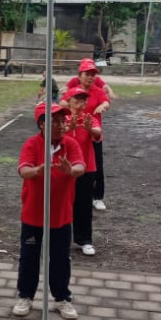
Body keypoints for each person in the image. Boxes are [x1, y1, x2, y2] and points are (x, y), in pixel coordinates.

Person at [12, 102, 85, 320]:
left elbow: (80, 167)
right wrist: (37, 170)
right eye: (55, 121)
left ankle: (62, 298)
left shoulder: (70, 144)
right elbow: (23, 170)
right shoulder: (32, 145)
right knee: (29, 257)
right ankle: (25, 296)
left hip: (61, 215)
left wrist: (70, 170)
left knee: (61, 258)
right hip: (34, 214)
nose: (61, 125)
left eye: (63, 121)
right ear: (42, 124)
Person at [62, 59, 111, 210]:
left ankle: (97, 197)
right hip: (73, 131)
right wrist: (71, 111)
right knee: (70, 162)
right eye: (87, 74)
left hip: (91, 131)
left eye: (93, 74)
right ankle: (68, 196)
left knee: (95, 165)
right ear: (80, 75)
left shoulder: (98, 91)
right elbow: (62, 103)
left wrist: (102, 106)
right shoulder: (74, 90)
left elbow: (106, 102)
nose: (90, 77)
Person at [64, 86, 102, 256]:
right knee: (63, 204)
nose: (81, 102)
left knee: (84, 205)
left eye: (83, 99)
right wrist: (65, 129)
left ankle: (84, 240)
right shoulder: (62, 118)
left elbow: (98, 134)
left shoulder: (90, 119)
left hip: (87, 168)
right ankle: (61, 238)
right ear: (69, 101)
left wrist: (89, 129)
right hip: (65, 168)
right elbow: (51, 137)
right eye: (77, 98)